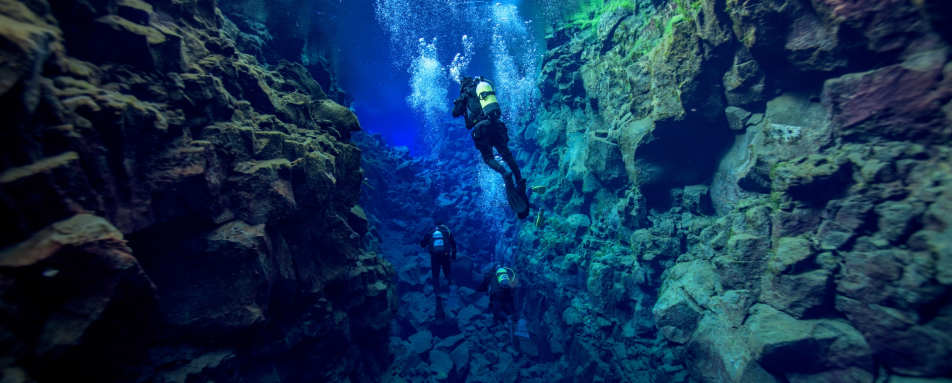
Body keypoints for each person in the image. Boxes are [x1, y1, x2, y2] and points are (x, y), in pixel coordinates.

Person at [452, 76, 525, 191]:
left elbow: (455, 113)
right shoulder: (482, 88)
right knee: (507, 155)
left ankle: (505, 173)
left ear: (462, 86)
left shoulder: (465, 94)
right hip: (496, 124)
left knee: (488, 157)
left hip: (481, 128)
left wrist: (457, 102)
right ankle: (519, 179)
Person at [477, 264, 527, 341]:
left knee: (497, 310)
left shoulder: (492, 275)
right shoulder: (508, 273)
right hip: (508, 295)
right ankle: (513, 322)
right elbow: (516, 284)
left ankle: (506, 321)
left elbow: (483, 287)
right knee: (510, 309)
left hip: (498, 296)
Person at [420, 223, 457, 295]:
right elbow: (453, 244)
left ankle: (437, 293)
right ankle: (452, 287)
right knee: (447, 272)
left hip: (435, 256)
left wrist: (425, 242)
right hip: (445, 255)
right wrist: (453, 255)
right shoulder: (447, 232)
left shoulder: (430, 232)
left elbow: (422, 244)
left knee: (435, 275)